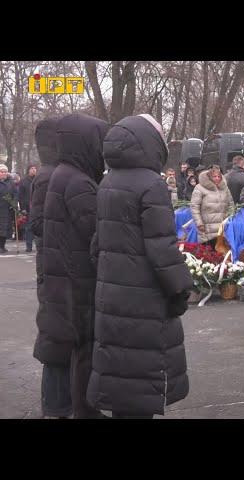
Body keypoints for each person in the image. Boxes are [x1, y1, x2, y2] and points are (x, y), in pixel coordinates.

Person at [87, 113, 193, 419]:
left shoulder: (107, 182)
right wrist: (179, 289)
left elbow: (98, 243)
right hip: (145, 296)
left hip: (112, 293)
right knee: (142, 375)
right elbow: (161, 247)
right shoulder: (151, 185)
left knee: (121, 378)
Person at [40, 113, 110, 419]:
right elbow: (98, 230)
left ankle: (73, 406)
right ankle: (85, 409)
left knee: (75, 347)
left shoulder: (64, 174)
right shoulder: (78, 181)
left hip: (64, 276)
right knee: (84, 348)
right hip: (76, 279)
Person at [29, 118, 72, 418]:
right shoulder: (49, 176)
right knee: (57, 335)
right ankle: (56, 405)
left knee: (57, 334)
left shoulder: (49, 173)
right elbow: (38, 225)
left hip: (52, 264)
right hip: (54, 266)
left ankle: (58, 403)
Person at [190, 165, 233, 245]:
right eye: (214, 176)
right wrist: (199, 223)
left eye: (218, 176)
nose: (217, 178)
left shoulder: (225, 188)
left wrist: (229, 217)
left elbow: (230, 204)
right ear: (209, 177)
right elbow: (194, 207)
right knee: (209, 253)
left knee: (222, 251)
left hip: (222, 227)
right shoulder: (199, 188)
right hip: (207, 227)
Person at [18, 164, 37, 252]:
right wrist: (22, 208)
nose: (34, 170)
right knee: (28, 228)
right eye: (32, 168)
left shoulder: (38, 180)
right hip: (27, 207)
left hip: (37, 207)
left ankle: (38, 246)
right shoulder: (23, 181)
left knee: (38, 227)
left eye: (35, 168)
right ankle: (29, 246)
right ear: (28, 170)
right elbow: (20, 196)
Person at [0, 164, 16, 253]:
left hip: (7, 208)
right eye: (2, 172)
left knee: (5, 228)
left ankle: (2, 246)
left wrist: (14, 203)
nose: (4, 173)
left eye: (5, 172)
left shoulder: (11, 182)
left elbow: (15, 193)